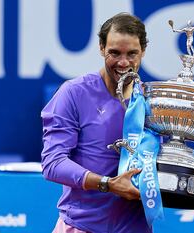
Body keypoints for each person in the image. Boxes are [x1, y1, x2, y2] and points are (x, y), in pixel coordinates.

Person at [41, 13, 151, 233]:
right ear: (101, 48)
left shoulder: (151, 101)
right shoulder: (73, 93)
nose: (123, 62)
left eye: (132, 54)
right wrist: (107, 184)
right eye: (114, 53)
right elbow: (53, 163)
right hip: (80, 227)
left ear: (143, 52)